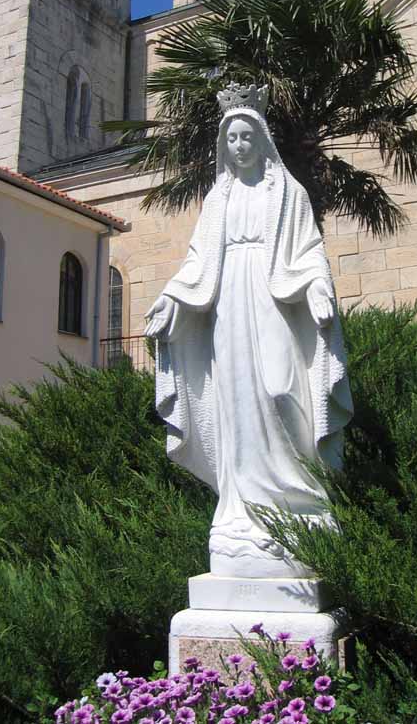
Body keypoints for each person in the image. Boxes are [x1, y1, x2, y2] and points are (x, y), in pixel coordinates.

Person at [146, 83, 353, 578]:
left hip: (272, 296)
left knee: (281, 387)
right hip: (228, 305)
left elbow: (309, 250)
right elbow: (198, 259)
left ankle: (299, 496)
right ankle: (242, 509)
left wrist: (318, 287)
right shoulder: (218, 198)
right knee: (237, 400)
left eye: (246, 136)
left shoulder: (289, 193)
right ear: (225, 145)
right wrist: (172, 297)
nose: (239, 145)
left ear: (262, 140)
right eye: (231, 138)